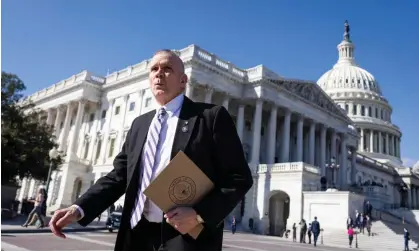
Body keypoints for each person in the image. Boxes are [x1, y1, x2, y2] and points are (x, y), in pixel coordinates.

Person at [49, 49, 253, 251]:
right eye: (154, 69)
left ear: (183, 81)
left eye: (167, 69)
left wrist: (199, 214)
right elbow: (119, 177)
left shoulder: (211, 117)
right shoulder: (140, 125)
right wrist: (79, 208)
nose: (158, 73)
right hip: (136, 235)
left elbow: (238, 178)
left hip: (186, 239)